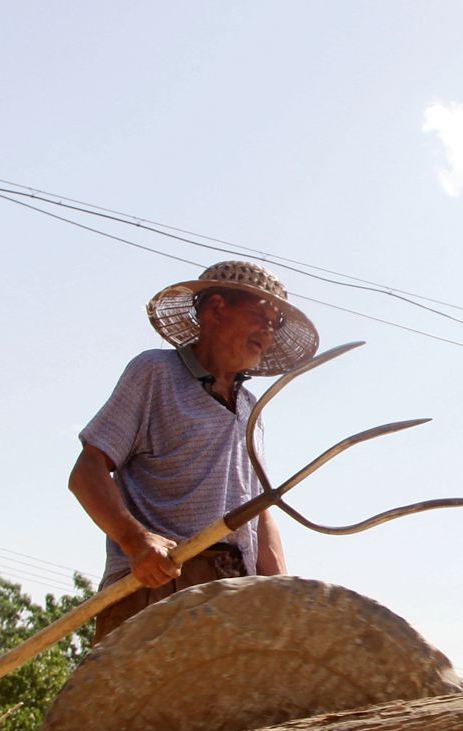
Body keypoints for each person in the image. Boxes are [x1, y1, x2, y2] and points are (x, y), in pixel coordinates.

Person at [69, 260, 318, 642]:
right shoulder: (155, 373)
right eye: (261, 317)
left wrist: (279, 588)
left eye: (276, 325)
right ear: (216, 309)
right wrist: (136, 542)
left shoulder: (251, 408)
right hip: (159, 583)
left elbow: (259, 506)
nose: (269, 333)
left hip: (235, 592)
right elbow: (87, 472)